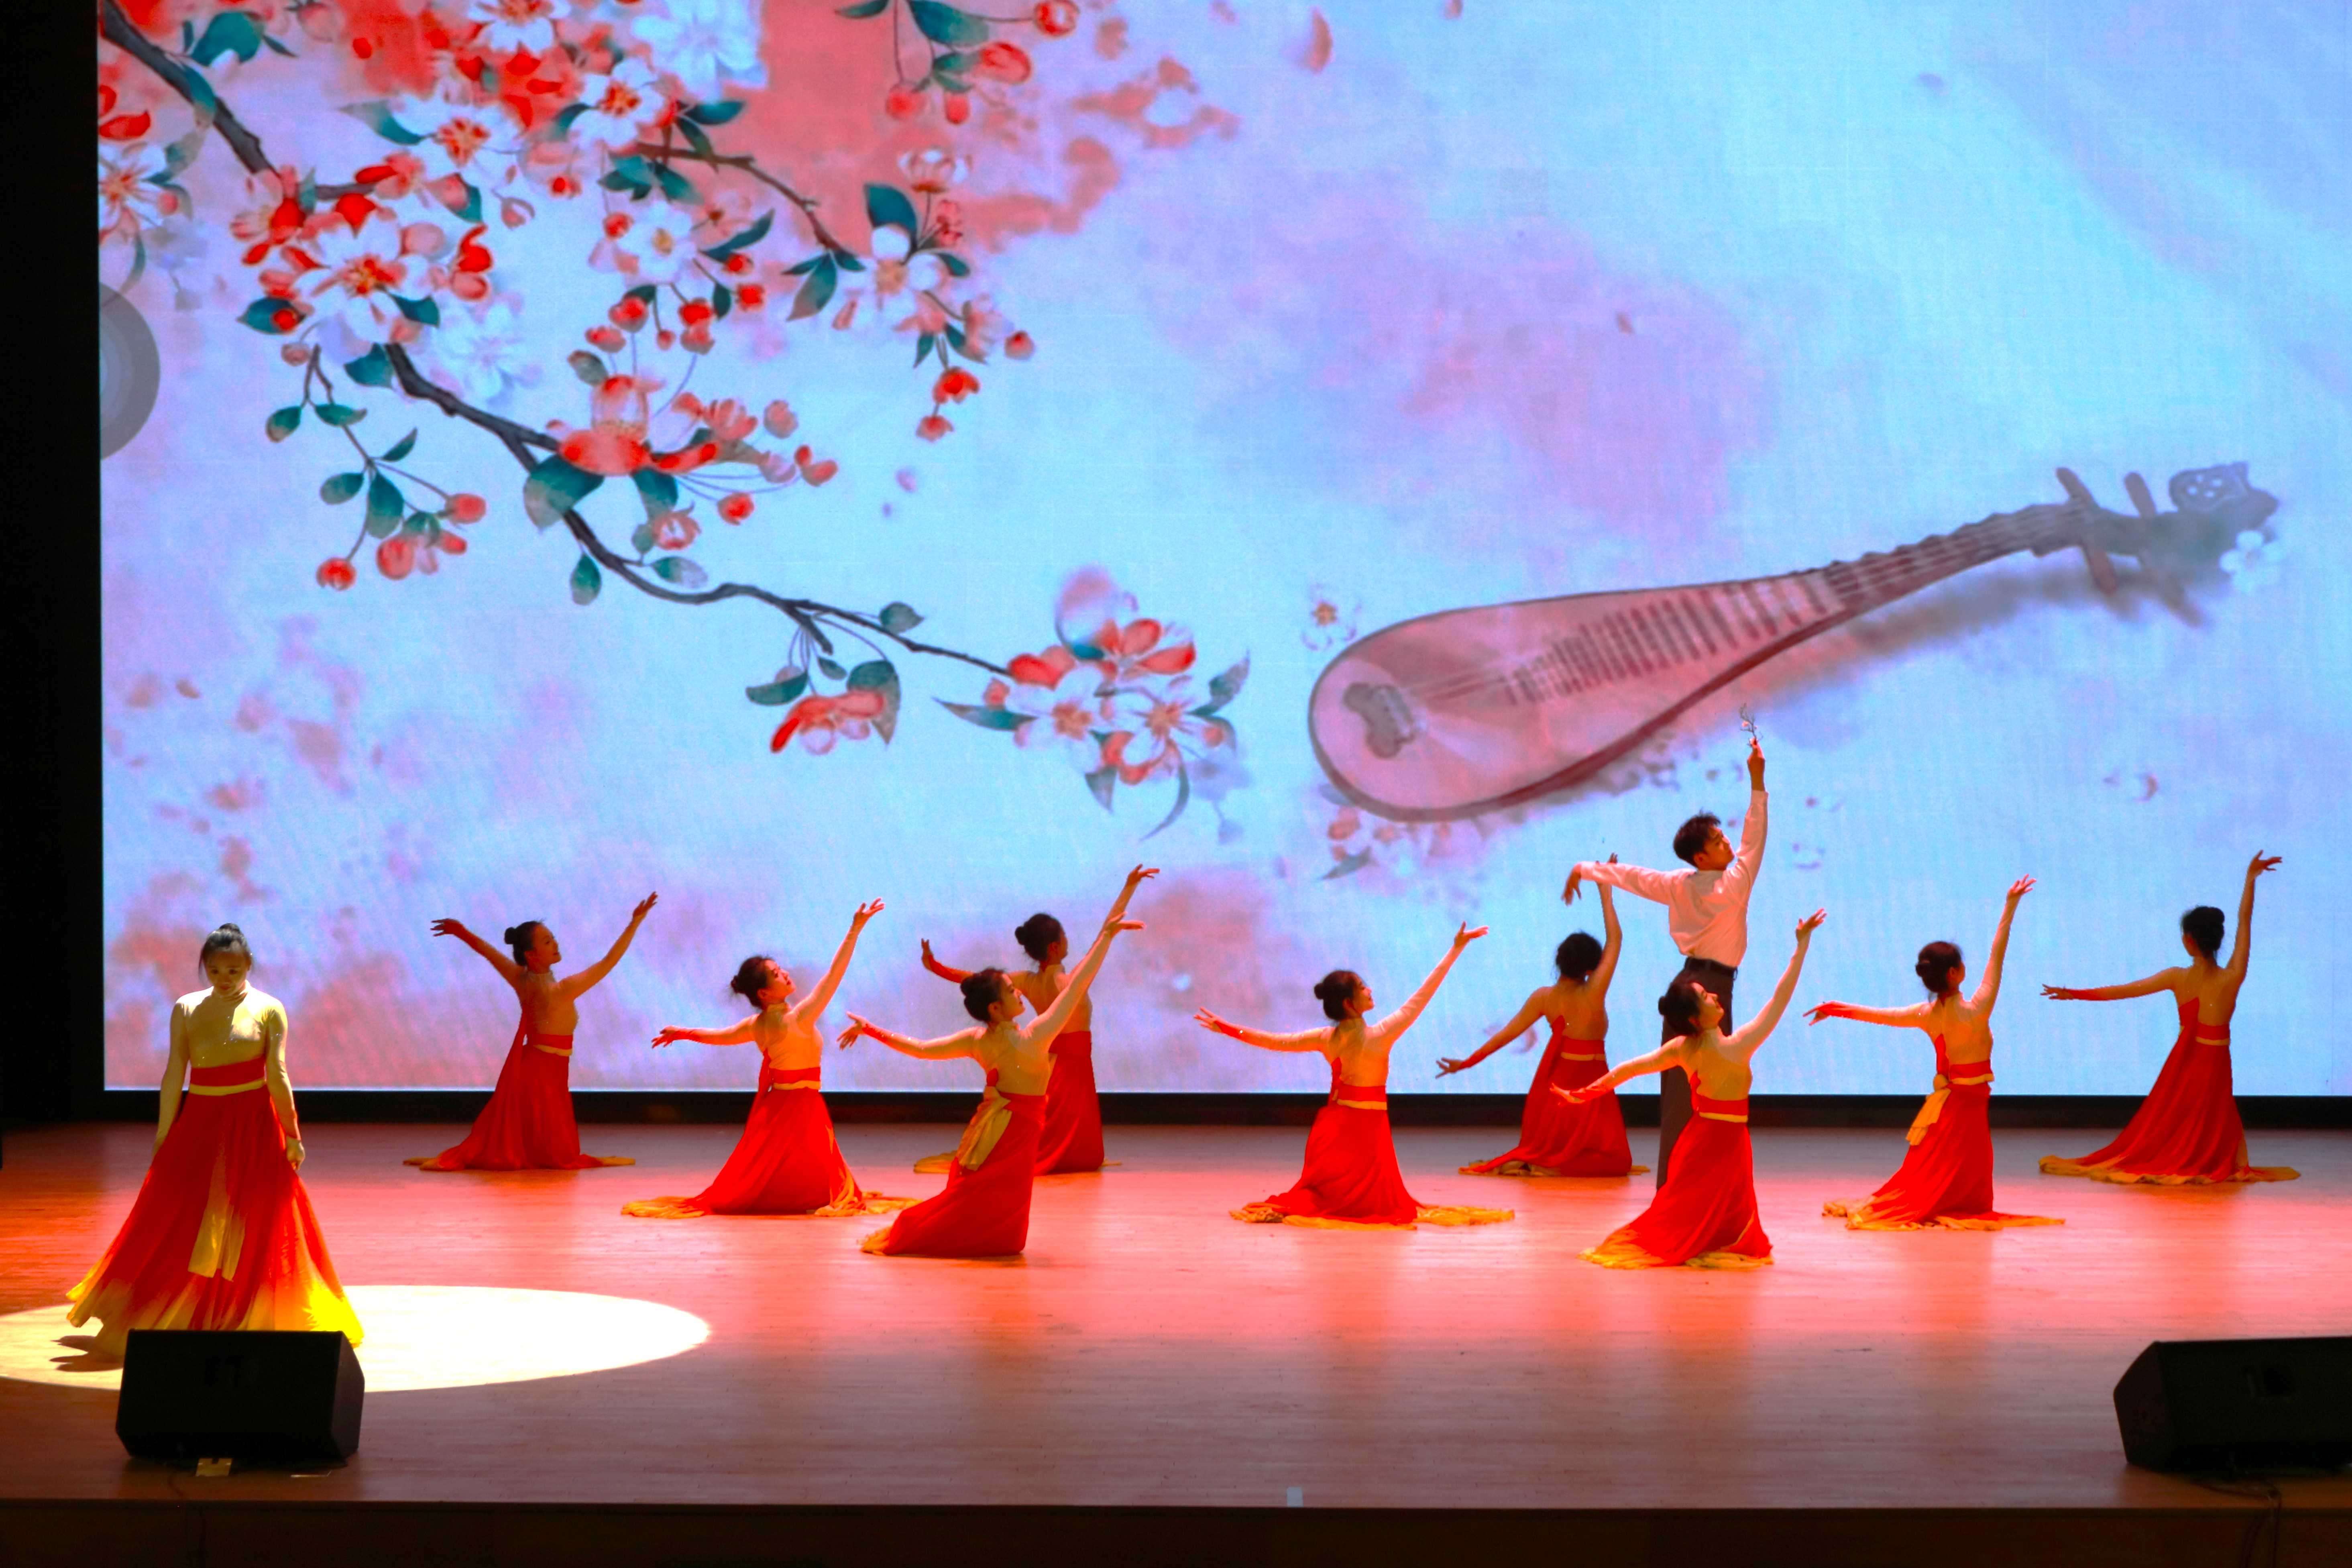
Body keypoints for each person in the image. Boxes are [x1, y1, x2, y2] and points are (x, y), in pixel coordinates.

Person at [66, 925, 362, 1358]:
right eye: (215, 970)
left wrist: (293, 1135)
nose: (224, 978)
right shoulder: (187, 1007)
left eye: (233, 971)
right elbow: (175, 1071)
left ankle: (253, 1306)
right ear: (205, 967)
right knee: (184, 1214)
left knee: (260, 1216)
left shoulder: (269, 1008)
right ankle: (186, 1308)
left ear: (249, 966)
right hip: (202, 1123)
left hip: (254, 1124)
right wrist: (165, 1133)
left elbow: (278, 1075)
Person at [839, 867, 1155, 1258]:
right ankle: (952, 1233)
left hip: (1000, 1128)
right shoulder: (1033, 1036)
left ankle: (972, 1233)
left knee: (994, 1208)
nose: (1017, 992)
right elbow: (1077, 986)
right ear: (995, 1007)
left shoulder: (983, 1038)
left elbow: (920, 1048)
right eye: (1009, 990)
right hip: (1004, 1132)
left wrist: (872, 1030)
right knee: (990, 1206)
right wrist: (1106, 936)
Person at [1196, 926, 1515, 1230]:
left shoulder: (1327, 1037)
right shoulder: (1378, 1035)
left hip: (1341, 1128)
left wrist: (1229, 1029)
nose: (1369, 989)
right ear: (1349, 1003)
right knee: (1366, 1206)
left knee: (1343, 1200)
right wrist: (1456, 949)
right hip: (1359, 1130)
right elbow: (1424, 994)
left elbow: (1274, 1042)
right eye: (1362, 987)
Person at [1561, 909, 1825, 1269]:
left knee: (1705, 1213)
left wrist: (1589, 1091)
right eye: (1706, 996)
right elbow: (1780, 999)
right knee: (1696, 1217)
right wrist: (1801, 946)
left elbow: (1630, 1069)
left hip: (1710, 1141)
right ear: (1694, 1018)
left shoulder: (1688, 1048)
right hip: (1713, 1142)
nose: (1715, 995)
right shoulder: (1733, 1045)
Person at [1564, 737, 1768, 1187]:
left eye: (1723, 836)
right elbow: (1754, 838)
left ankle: (1678, 1191)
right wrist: (1757, 781)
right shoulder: (1732, 885)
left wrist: (1584, 868)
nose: (1727, 842)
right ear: (1702, 857)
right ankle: (1688, 1192)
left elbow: (1636, 878)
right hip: (1709, 991)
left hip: (1690, 985)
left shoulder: (1681, 883)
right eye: (1718, 841)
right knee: (1711, 1093)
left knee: (1682, 1091)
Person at [624, 901, 912, 1219]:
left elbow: (719, 1036)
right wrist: (855, 929)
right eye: (776, 974)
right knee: (799, 1171)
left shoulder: (758, 1024)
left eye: (780, 969)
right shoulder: (798, 1018)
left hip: (782, 1107)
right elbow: (834, 975)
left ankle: (795, 1194)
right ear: (763, 993)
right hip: (798, 1107)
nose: (785, 974)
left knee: (778, 1171)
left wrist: (683, 1033)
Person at [1809, 879, 2061, 1230]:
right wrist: (2010, 905)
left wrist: (1836, 1008)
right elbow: (1997, 955)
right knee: (1965, 1164)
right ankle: (1957, 1203)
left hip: (1953, 1101)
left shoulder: (1927, 1014)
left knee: (1949, 1165)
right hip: (1966, 1102)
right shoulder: (1975, 1010)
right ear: (1955, 973)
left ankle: (1954, 1200)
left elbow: (1880, 1016)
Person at [2040, 853, 2297, 1184]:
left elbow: (2125, 991)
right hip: (2213, 1061)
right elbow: (2244, 924)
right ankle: (2202, 1156)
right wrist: (2250, 881)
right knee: (2207, 1115)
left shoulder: (2177, 977)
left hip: (2186, 1063)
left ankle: (2187, 1155)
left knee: (2181, 1119)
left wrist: (2073, 993)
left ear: (2189, 940)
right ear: (2217, 939)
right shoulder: (2231, 977)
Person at [407, 894, 658, 1171]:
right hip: (541, 1072)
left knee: (537, 1141)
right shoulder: (559, 990)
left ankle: (485, 1155)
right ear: (532, 954)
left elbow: (487, 952)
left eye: (553, 938)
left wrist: (462, 932)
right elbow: (609, 962)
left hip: (540, 1068)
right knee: (549, 1148)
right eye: (547, 942)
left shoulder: (521, 979)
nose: (556, 944)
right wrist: (634, 923)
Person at [1440, 870, 1643, 1177]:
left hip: (1557, 1086)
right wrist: (1605, 891)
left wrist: (1466, 1063)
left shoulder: (1543, 997)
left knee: (1569, 1152)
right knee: (1614, 1163)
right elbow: (1616, 939)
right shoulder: (1593, 991)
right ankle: (1548, 1168)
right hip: (1589, 1085)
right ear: (1591, 969)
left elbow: (1505, 1036)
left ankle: (1540, 1164)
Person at [914, 908, 1107, 1175]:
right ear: (1054, 947)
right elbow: (1101, 942)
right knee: (1066, 1136)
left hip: (1055, 1063)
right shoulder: (1063, 981)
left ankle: (1065, 1153)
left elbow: (978, 981)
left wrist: (936, 967)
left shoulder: (1029, 980)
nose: (1068, 941)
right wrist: (1123, 902)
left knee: (1058, 1128)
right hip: (1071, 1064)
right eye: (1064, 936)